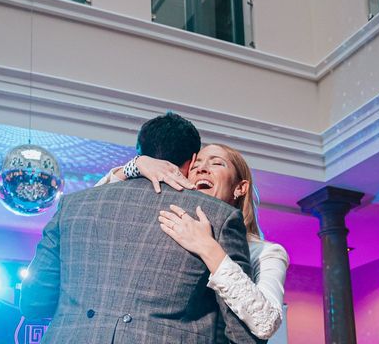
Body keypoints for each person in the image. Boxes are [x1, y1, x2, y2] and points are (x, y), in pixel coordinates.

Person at [20, 112, 263, 343]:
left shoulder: (73, 206)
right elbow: (243, 334)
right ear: (191, 160)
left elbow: (34, 300)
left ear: (140, 152)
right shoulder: (219, 217)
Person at [110, 144, 289, 340]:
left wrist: (208, 247)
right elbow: (90, 216)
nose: (202, 169)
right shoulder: (170, 228)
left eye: (217, 163)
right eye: (195, 167)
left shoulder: (265, 252)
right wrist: (135, 165)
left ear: (240, 187)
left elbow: (266, 322)